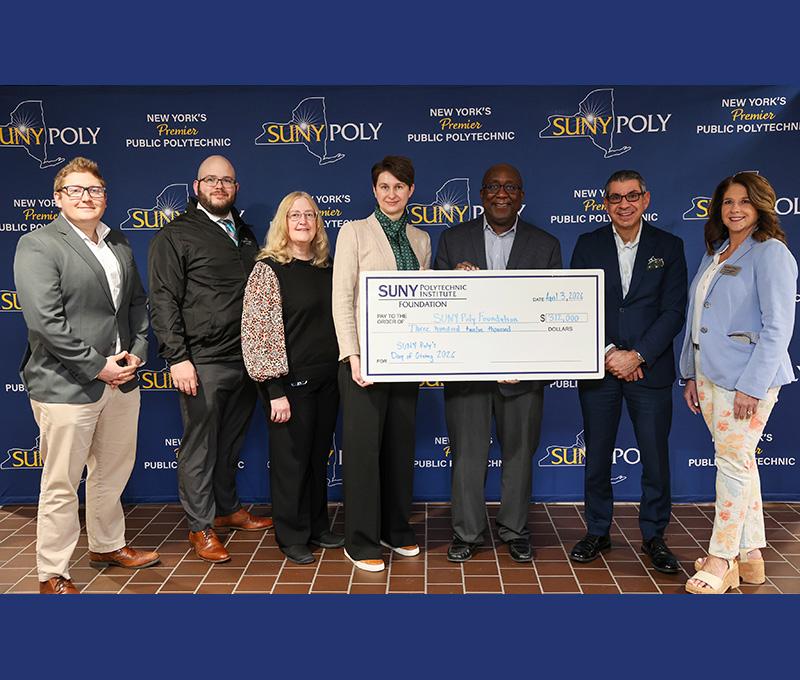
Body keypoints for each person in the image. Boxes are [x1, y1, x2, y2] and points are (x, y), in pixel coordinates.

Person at [14, 157, 159, 594]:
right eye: (74, 190)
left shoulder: (118, 243)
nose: (85, 197)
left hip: (123, 379)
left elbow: (135, 304)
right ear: (58, 198)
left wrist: (135, 353)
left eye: (93, 190)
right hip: (65, 384)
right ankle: (52, 571)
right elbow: (45, 321)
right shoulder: (38, 244)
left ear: (104, 196)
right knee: (61, 482)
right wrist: (99, 366)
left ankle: (107, 545)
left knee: (111, 472)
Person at [434, 163, 562, 563]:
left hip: (523, 373)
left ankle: (514, 529)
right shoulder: (453, 240)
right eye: (493, 186)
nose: (501, 193)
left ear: (522, 195)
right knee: (468, 455)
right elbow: (436, 306)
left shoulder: (546, 244)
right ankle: (467, 532)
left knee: (520, 453)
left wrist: (534, 360)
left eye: (510, 187)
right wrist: (454, 281)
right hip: (467, 373)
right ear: (481, 194)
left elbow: (555, 311)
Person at [148, 155, 272, 564]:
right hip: (201, 360)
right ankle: (199, 527)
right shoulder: (176, 235)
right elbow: (163, 300)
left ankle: (225, 509)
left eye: (227, 181)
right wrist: (177, 357)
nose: (220, 186)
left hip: (247, 358)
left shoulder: (245, 233)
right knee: (200, 446)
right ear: (196, 186)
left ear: (236, 188)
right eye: (211, 180)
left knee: (229, 441)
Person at [680, 172, 796, 594]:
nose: (734, 209)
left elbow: (778, 326)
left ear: (762, 205)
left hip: (748, 380)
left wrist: (752, 385)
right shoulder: (716, 252)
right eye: (727, 202)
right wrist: (690, 372)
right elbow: (698, 319)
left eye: (744, 201)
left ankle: (721, 558)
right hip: (709, 375)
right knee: (741, 461)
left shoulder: (771, 253)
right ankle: (750, 558)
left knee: (731, 464)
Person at [569, 169, 687, 574]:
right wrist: (609, 354)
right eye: (615, 197)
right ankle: (597, 531)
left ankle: (654, 535)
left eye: (631, 196)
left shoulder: (669, 246)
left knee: (655, 459)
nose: (624, 204)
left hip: (648, 372)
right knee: (597, 456)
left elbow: (674, 311)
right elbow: (577, 305)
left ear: (646, 199)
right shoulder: (587, 245)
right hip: (600, 369)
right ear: (605, 203)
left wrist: (637, 355)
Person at [332, 155, 431, 572]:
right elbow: (341, 297)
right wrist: (353, 355)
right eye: (384, 186)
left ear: (411, 191)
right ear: (374, 191)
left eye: (400, 187)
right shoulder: (353, 232)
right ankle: (360, 540)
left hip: (404, 363)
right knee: (363, 452)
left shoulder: (421, 238)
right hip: (362, 365)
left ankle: (395, 529)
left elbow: (426, 299)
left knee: (398, 448)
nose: (392, 194)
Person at [241, 192, 343, 565]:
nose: (302, 221)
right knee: (291, 463)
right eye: (294, 215)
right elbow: (257, 333)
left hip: (328, 380)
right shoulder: (268, 269)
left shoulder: (327, 268)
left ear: (317, 222)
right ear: (282, 223)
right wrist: (273, 390)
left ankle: (318, 525)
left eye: (309, 215)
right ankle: (292, 534)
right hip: (288, 385)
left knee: (317, 458)